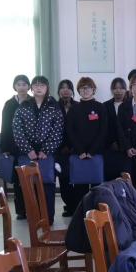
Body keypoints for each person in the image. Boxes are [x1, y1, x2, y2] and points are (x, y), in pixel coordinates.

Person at [12, 76, 63, 225]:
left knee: (47, 185)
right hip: (27, 153)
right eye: (36, 85)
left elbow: (58, 130)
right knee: (29, 186)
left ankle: (48, 218)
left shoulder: (54, 106)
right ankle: (33, 218)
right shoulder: (23, 106)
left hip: (46, 154)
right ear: (32, 88)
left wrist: (46, 150)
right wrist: (28, 150)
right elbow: (17, 130)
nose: (39, 88)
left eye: (42, 85)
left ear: (47, 88)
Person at [66, 77, 107, 202]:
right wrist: (80, 151)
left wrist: (92, 151)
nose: (85, 90)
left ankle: (98, 213)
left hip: (96, 153)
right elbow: (70, 131)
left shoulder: (100, 107)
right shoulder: (73, 108)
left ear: (93, 89)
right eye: (82, 88)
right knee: (79, 190)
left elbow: (103, 130)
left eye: (88, 87)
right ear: (78, 90)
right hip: (79, 154)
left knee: (98, 189)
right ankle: (81, 212)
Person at [0, 74, 30, 219]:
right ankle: (21, 211)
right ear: (15, 87)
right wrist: (4, 148)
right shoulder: (9, 104)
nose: (22, 87)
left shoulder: (33, 101)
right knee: (18, 181)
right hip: (14, 148)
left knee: (31, 179)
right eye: (19, 84)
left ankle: (33, 209)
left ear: (28, 86)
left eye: (24, 84)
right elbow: (4, 126)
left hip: (30, 149)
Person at [56, 79, 79, 217]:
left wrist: (73, 146)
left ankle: (77, 205)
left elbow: (81, 129)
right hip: (60, 149)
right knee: (64, 178)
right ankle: (69, 205)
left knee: (78, 178)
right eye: (62, 88)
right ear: (58, 91)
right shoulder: (53, 106)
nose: (65, 90)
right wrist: (62, 146)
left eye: (68, 88)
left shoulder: (78, 106)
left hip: (76, 149)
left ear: (72, 91)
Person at [102, 78, 127, 181]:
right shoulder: (105, 106)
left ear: (125, 90)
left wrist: (123, 144)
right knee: (110, 177)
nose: (118, 91)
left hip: (126, 149)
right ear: (112, 90)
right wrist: (112, 142)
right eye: (115, 88)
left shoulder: (130, 105)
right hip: (109, 148)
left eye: (121, 88)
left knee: (125, 178)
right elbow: (104, 127)